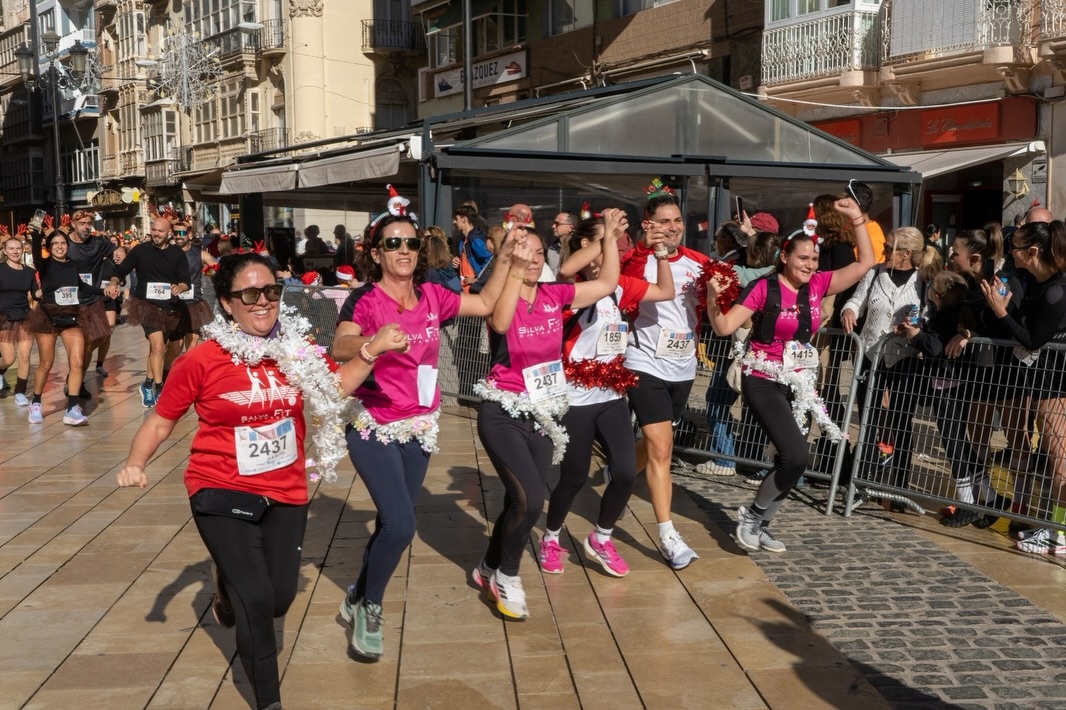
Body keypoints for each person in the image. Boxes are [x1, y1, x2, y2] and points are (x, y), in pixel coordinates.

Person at [116, 252, 407, 710]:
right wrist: (135, 462)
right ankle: (269, 701)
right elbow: (161, 420)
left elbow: (334, 388)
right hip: (219, 485)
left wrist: (372, 350)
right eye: (250, 293)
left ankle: (224, 585)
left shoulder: (297, 349)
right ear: (227, 303)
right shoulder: (201, 359)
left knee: (279, 599)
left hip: (285, 488)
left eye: (271, 291)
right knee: (256, 600)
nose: (263, 301)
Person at [330, 214, 515, 657]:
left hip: (418, 426)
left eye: (411, 244)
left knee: (393, 522)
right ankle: (371, 608)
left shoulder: (434, 296)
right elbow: (339, 345)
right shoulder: (365, 299)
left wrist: (506, 256)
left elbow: (488, 303)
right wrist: (374, 342)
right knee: (402, 524)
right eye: (393, 244)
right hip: (373, 422)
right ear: (376, 254)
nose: (404, 251)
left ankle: (355, 596)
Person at [707, 196, 875, 553]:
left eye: (814, 259)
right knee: (796, 455)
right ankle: (752, 516)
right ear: (784, 257)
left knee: (790, 461)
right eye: (803, 258)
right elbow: (723, 327)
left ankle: (762, 525)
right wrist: (711, 298)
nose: (810, 265)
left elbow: (867, 263)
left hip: (797, 382)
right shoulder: (764, 288)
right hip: (762, 377)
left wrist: (857, 219)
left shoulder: (815, 286)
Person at [472, 217, 620, 620]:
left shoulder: (555, 294)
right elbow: (500, 324)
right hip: (502, 409)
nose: (535, 259)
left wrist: (608, 238)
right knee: (531, 500)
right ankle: (508, 575)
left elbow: (606, 284)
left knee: (517, 502)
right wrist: (514, 268)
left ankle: (486, 566)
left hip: (542, 412)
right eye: (527, 252)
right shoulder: (503, 292)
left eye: (540, 253)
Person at [541, 209, 674, 577]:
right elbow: (566, 269)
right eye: (608, 240)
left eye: (617, 239)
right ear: (589, 245)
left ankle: (601, 537)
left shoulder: (621, 286)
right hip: (576, 397)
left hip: (611, 394)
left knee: (627, 473)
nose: (616, 244)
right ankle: (551, 536)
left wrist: (661, 252)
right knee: (574, 477)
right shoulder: (569, 288)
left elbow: (665, 292)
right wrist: (607, 236)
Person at [620, 180, 712, 570]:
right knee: (662, 449)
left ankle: (617, 471)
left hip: (683, 365)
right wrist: (644, 248)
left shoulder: (700, 262)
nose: (672, 227)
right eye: (663, 221)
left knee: (658, 442)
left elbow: (713, 308)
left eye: (676, 220)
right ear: (648, 224)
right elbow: (618, 279)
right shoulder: (636, 261)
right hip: (643, 363)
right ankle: (668, 535)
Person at [981, 219, 1066, 553]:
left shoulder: (1057, 289)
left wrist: (1001, 312)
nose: (1010, 252)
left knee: (1060, 460)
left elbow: (1033, 340)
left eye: (1015, 247)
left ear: (1032, 251)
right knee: (1056, 457)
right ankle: (1053, 527)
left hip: (1056, 383)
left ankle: (1059, 532)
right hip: (1045, 381)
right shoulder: (1038, 282)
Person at [839, 226, 942, 498]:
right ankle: (861, 480)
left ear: (906, 254)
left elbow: (932, 315)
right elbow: (856, 300)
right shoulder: (875, 273)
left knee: (900, 422)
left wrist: (916, 325)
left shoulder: (924, 280)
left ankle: (898, 486)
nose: (883, 251)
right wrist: (848, 310)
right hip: (870, 356)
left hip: (904, 359)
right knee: (869, 420)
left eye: (888, 247)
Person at [944, 227, 1027, 524]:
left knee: (1016, 438)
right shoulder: (965, 282)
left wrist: (972, 333)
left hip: (1007, 371)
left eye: (956, 252)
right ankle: (983, 500)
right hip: (979, 372)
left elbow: (1007, 322)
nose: (951, 256)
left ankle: (1021, 503)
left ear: (975, 257)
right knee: (977, 437)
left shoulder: (1004, 280)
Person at [25, 225, 111, 425]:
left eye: (63, 243)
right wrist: (36, 235)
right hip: (47, 315)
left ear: (67, 246)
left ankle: (72, 407)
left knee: (78, 362)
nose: (59, 246)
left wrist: (102, 292)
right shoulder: (44, 264)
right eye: (54, 243)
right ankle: (36, 403)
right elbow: (37, 253)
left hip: (71, 316)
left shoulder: (73, 264)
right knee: (46, 363)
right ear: (49, 247)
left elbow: (81, 286)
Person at [106, 216, 191, 408]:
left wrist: (180, 287)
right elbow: (122, 270)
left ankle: (146, 384)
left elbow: (186, 279)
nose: (156, 234)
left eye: (160, 231)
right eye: (153, 230)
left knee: (160, 350)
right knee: (158, 346)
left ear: (169, 233)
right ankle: (159, 389)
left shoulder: (177, 254)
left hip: (169, 307)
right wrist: (113, 282)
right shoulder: (141, 250)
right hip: (146, 305)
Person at [67, 210, 117, 399]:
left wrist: (113, 280)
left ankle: (75, 379)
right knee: (77, 345)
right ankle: (75, 383)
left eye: (89, 223)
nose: (86, 226)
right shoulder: (64, 242)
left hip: (91, 300)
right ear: (73, 224)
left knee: (99, 338)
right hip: (69, 302)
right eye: (82, 223)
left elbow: (118, 258)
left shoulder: (98, 243)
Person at [164, 223, 214, 368]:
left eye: (182, 233)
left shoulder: (199, 253)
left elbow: (216, 267)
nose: (178, 237)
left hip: (194, 304)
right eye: (176, 233)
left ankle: (187, 378)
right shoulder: (168, 252)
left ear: (189, 235)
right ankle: (164, 374)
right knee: (175, 348)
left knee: (192, 346)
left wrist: (214, 273)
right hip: (174, 304)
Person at [0, 235, 36, 405]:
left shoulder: (30, 271)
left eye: (17, 248)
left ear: (22, 250)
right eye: (11, 248)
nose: (15, 251)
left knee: (25, 355)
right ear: (5, 251)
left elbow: (35, 294)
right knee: (8, 358)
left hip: (25, 316)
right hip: (4, 316)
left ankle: (20, 392)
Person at [452, 204, 491, 292]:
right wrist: (458, 261)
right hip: (467, 290)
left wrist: (477, 279)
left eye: (456, 219)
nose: (453, 222)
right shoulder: (463, 241)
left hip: (476, 292)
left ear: (464, 219)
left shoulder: (475, 239)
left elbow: (491, 261)